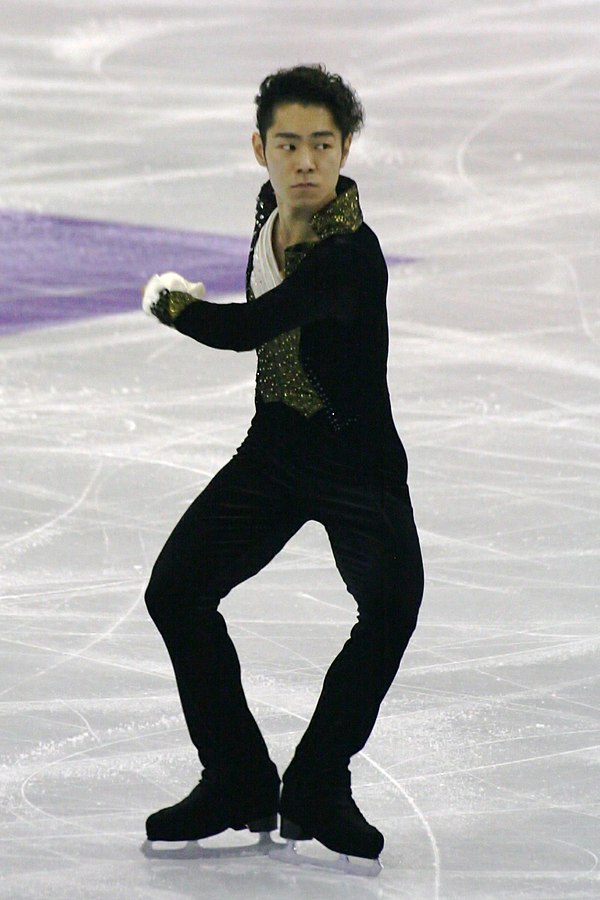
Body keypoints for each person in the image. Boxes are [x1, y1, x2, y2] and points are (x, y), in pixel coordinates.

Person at [141, 63, 424, 864]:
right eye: (290, 144)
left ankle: (317, 785)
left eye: (323, 145)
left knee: (392, 608)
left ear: (344, 151)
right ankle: (235, 778)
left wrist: (171, 303)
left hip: (357, 464)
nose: (305, 161)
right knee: (177, 592)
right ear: (260, 148)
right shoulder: (270, 210)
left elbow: (245, 330)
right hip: (275, 449)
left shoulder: (350, 257)